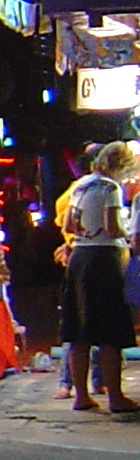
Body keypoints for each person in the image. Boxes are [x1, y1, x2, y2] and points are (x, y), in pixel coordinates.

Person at [58, 139, 139, 413]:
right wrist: (130, 232)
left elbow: (69, 224)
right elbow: (112, 227)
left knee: (79, 331)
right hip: (105, 260)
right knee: (110, 332)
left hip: (79, 259)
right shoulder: (111, 187)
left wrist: (85, 234)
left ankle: (81, 396)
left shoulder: (81, 184)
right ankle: (115, 397)